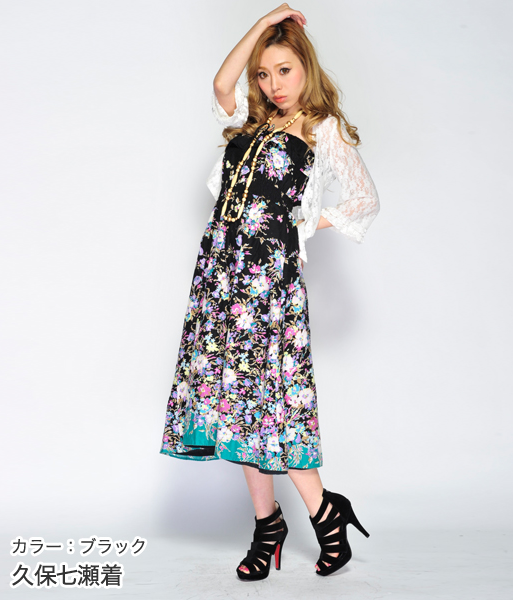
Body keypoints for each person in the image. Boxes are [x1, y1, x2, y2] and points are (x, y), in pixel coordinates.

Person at [159, 4, 380, 581]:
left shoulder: (321, 128)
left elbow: (364, 199)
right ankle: (268, 524)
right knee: (234, 402)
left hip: (267, 281)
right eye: (263, 74)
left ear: (305, 67)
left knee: (270, 401)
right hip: (221, 275)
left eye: (284, 70)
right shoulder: (251, 124)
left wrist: (299, 227)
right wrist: (263, 24)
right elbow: (220, 84)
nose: (273, 84)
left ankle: (324, 512)